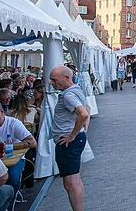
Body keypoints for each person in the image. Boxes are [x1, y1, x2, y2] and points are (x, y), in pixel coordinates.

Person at [50, 66, 89, 211]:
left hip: (68, 141)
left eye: (54, 80)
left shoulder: (68, 95)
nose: (52, 83)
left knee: (71, 182)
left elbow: (83, 114)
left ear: (67, 78)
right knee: (74, 180)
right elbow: (87, 111)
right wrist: (83, 130)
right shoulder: (76, 89)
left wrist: (72, 135)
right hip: (75, 138)